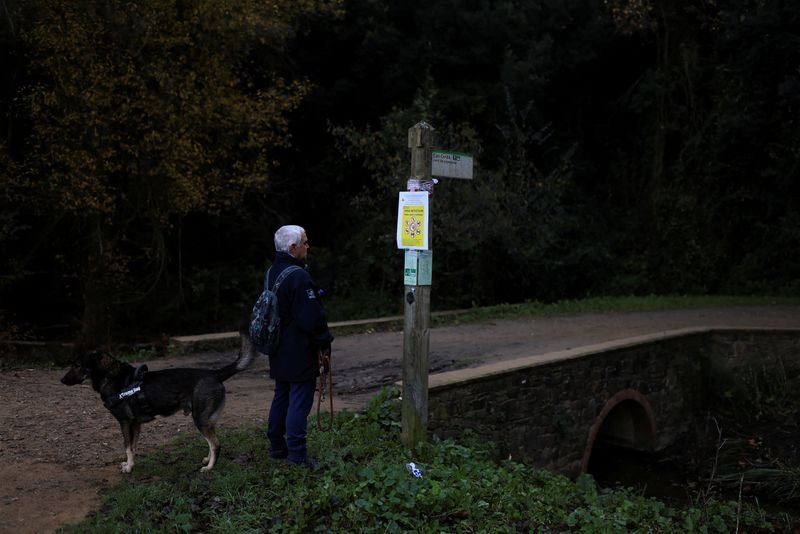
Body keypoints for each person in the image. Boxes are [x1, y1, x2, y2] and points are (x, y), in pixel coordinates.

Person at [262, 224, 333, 469]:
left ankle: (276, 445)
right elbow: (311, 318)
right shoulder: (299, 276)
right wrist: (324, 341)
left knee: (281, 395)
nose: (307, 246)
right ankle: (297, 455)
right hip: (299, 348)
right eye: (304, 242)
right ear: (293, 248)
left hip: (278, 346)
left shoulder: (272, 272)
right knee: (299, 401)